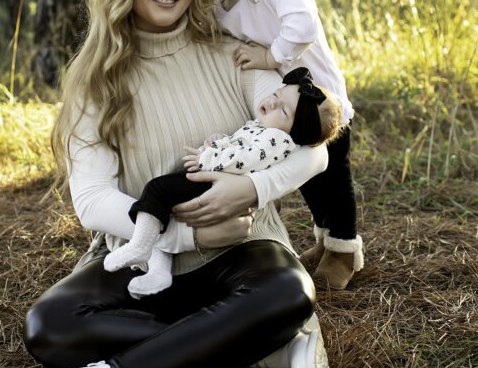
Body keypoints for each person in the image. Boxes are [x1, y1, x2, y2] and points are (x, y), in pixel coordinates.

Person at [0, 0, 332, 368]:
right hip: (145, 260)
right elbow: (93, 200)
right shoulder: (96, 78)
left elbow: (310, 152)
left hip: (243, 254)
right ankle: (255, 349)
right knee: (50, 326)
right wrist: (181, 237)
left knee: (288, 293)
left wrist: (247, 193)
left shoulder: (236, 52)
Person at [187, 0, 363, 290]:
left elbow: (303, 24)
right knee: (307, 178)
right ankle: (324, 239)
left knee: (333, 173)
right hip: (282, 108)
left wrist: (271, 57)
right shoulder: (221, 5)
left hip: (319, 102)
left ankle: (345, 249)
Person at [103, 67, 342, 296]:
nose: (272, 102)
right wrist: (220, 141)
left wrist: (207, 157)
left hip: (216, 187)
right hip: (218, 186)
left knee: (157, 190)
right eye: (276, 95)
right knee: (165, 212)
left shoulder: (276, 138)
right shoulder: (266, 127)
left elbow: (243, 161)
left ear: (296, 131)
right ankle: (159, 271)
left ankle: (140, 244)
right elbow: (241, 147)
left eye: (284, 111)